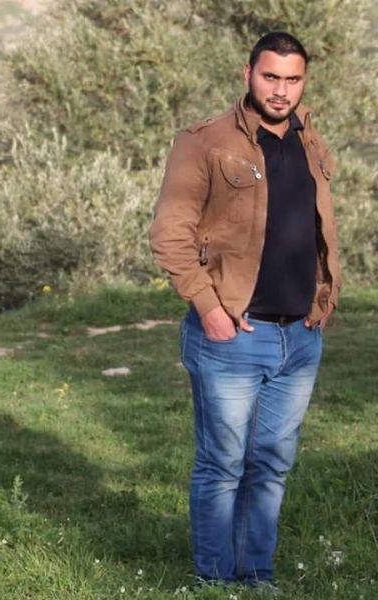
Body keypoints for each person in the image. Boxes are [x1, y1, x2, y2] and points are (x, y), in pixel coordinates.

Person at [149, 31, 341, 588]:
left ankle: (257, 577)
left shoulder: (309, 138)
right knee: (222, 465)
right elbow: (169, 235)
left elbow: (316, 226)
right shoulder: (204, 141)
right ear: (248, 73)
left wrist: (324, 299)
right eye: (270, 76)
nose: (281, 90)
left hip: (299, 336)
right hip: (233, 334)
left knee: (272, 465)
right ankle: (215, 581)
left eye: (293, 79)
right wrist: (208, 307)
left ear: (304, 81)